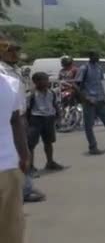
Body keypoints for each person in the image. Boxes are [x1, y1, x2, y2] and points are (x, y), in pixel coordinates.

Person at [0, 34, 46, 203]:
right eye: (10, 50)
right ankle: (24, 190)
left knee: (21, 153)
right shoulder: (2, 71)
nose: (14, 54)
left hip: (20, 116)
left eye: (16, 50)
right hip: (9, 120)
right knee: (15, 154)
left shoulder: (16, 70)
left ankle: (24, 188)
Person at [0, 72, 30, 243]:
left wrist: (24, 154)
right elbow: (16, 121)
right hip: (8, 166)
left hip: (7, 167)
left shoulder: (12, 84)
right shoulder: (10, 83)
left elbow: (15, 121)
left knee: (11, 228)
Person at [27, 72, 64, 172]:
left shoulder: (51, 92)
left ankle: (50, 162)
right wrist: (27, 123)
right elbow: (27, 109)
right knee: (31, 144)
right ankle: (30, 166)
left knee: (48, 142)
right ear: (36, 82)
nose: (47, 82)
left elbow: (54, 104)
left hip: (49, 118)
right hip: (36, 119)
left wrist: (59, 116)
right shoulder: (32, 94)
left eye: (47, 80)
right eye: (44, 80)